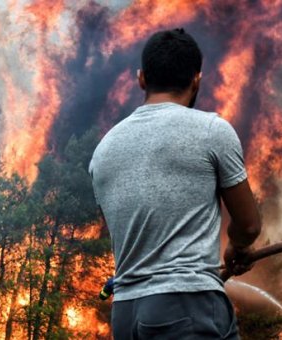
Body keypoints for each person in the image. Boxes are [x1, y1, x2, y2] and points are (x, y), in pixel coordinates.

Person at [89, 28, 262, 340]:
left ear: (141, 78)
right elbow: (248, 226)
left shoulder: (103, 150)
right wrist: (236, 247)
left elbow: (124, 231)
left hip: (126, 314)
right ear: (196, 79)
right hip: (185, 306)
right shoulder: (212, 131)